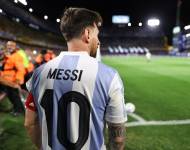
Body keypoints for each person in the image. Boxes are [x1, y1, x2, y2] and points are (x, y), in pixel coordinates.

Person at [24, 7, 127, 150]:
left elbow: (30, 123)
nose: (98, 41)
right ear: (88, 33)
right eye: (97, 34)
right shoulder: (109, 76)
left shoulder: (39, 73)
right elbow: (118, 138)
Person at [0, 41, 25, 115]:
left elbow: (21, 69)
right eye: (8, 45)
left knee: (15, 96)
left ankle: (19, 110)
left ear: (15, 47)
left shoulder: (17, 56)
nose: (9, 47)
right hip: (7, 80)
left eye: (11, 45)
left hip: (13, 80)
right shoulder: (9, 55)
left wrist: (18, 79)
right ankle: (16, 109)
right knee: (11, 96)